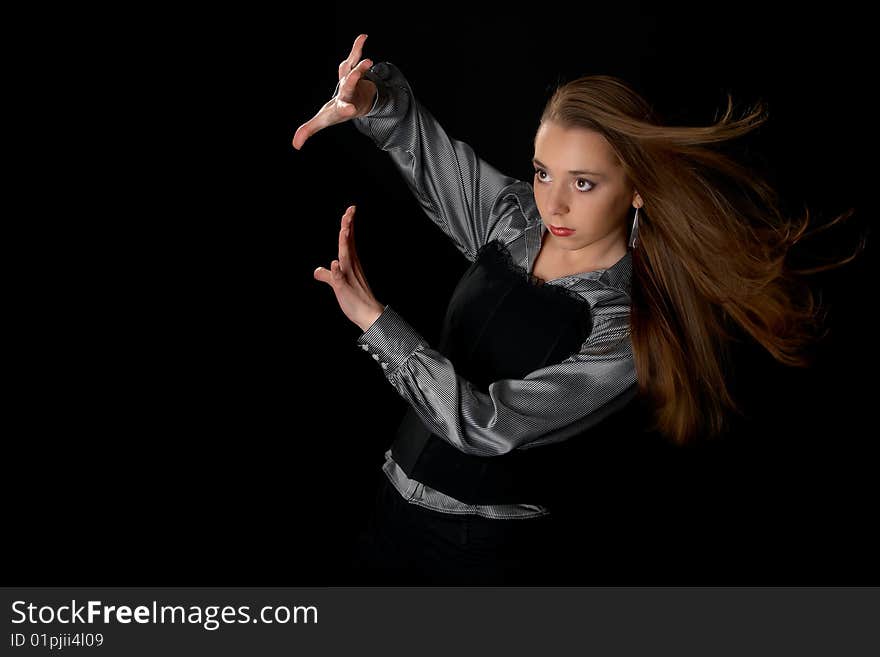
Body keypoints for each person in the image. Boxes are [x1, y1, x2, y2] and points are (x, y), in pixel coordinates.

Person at [292, 35, 862, 585]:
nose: (554, 201)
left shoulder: (626, 325)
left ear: (636, 187)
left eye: (584, 183)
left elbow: (489, 426)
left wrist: (377, 324)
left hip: (478, 557)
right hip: (388, 509)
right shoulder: (514, 218)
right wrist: (372, 101)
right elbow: (425, 149)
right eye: (543, 172)